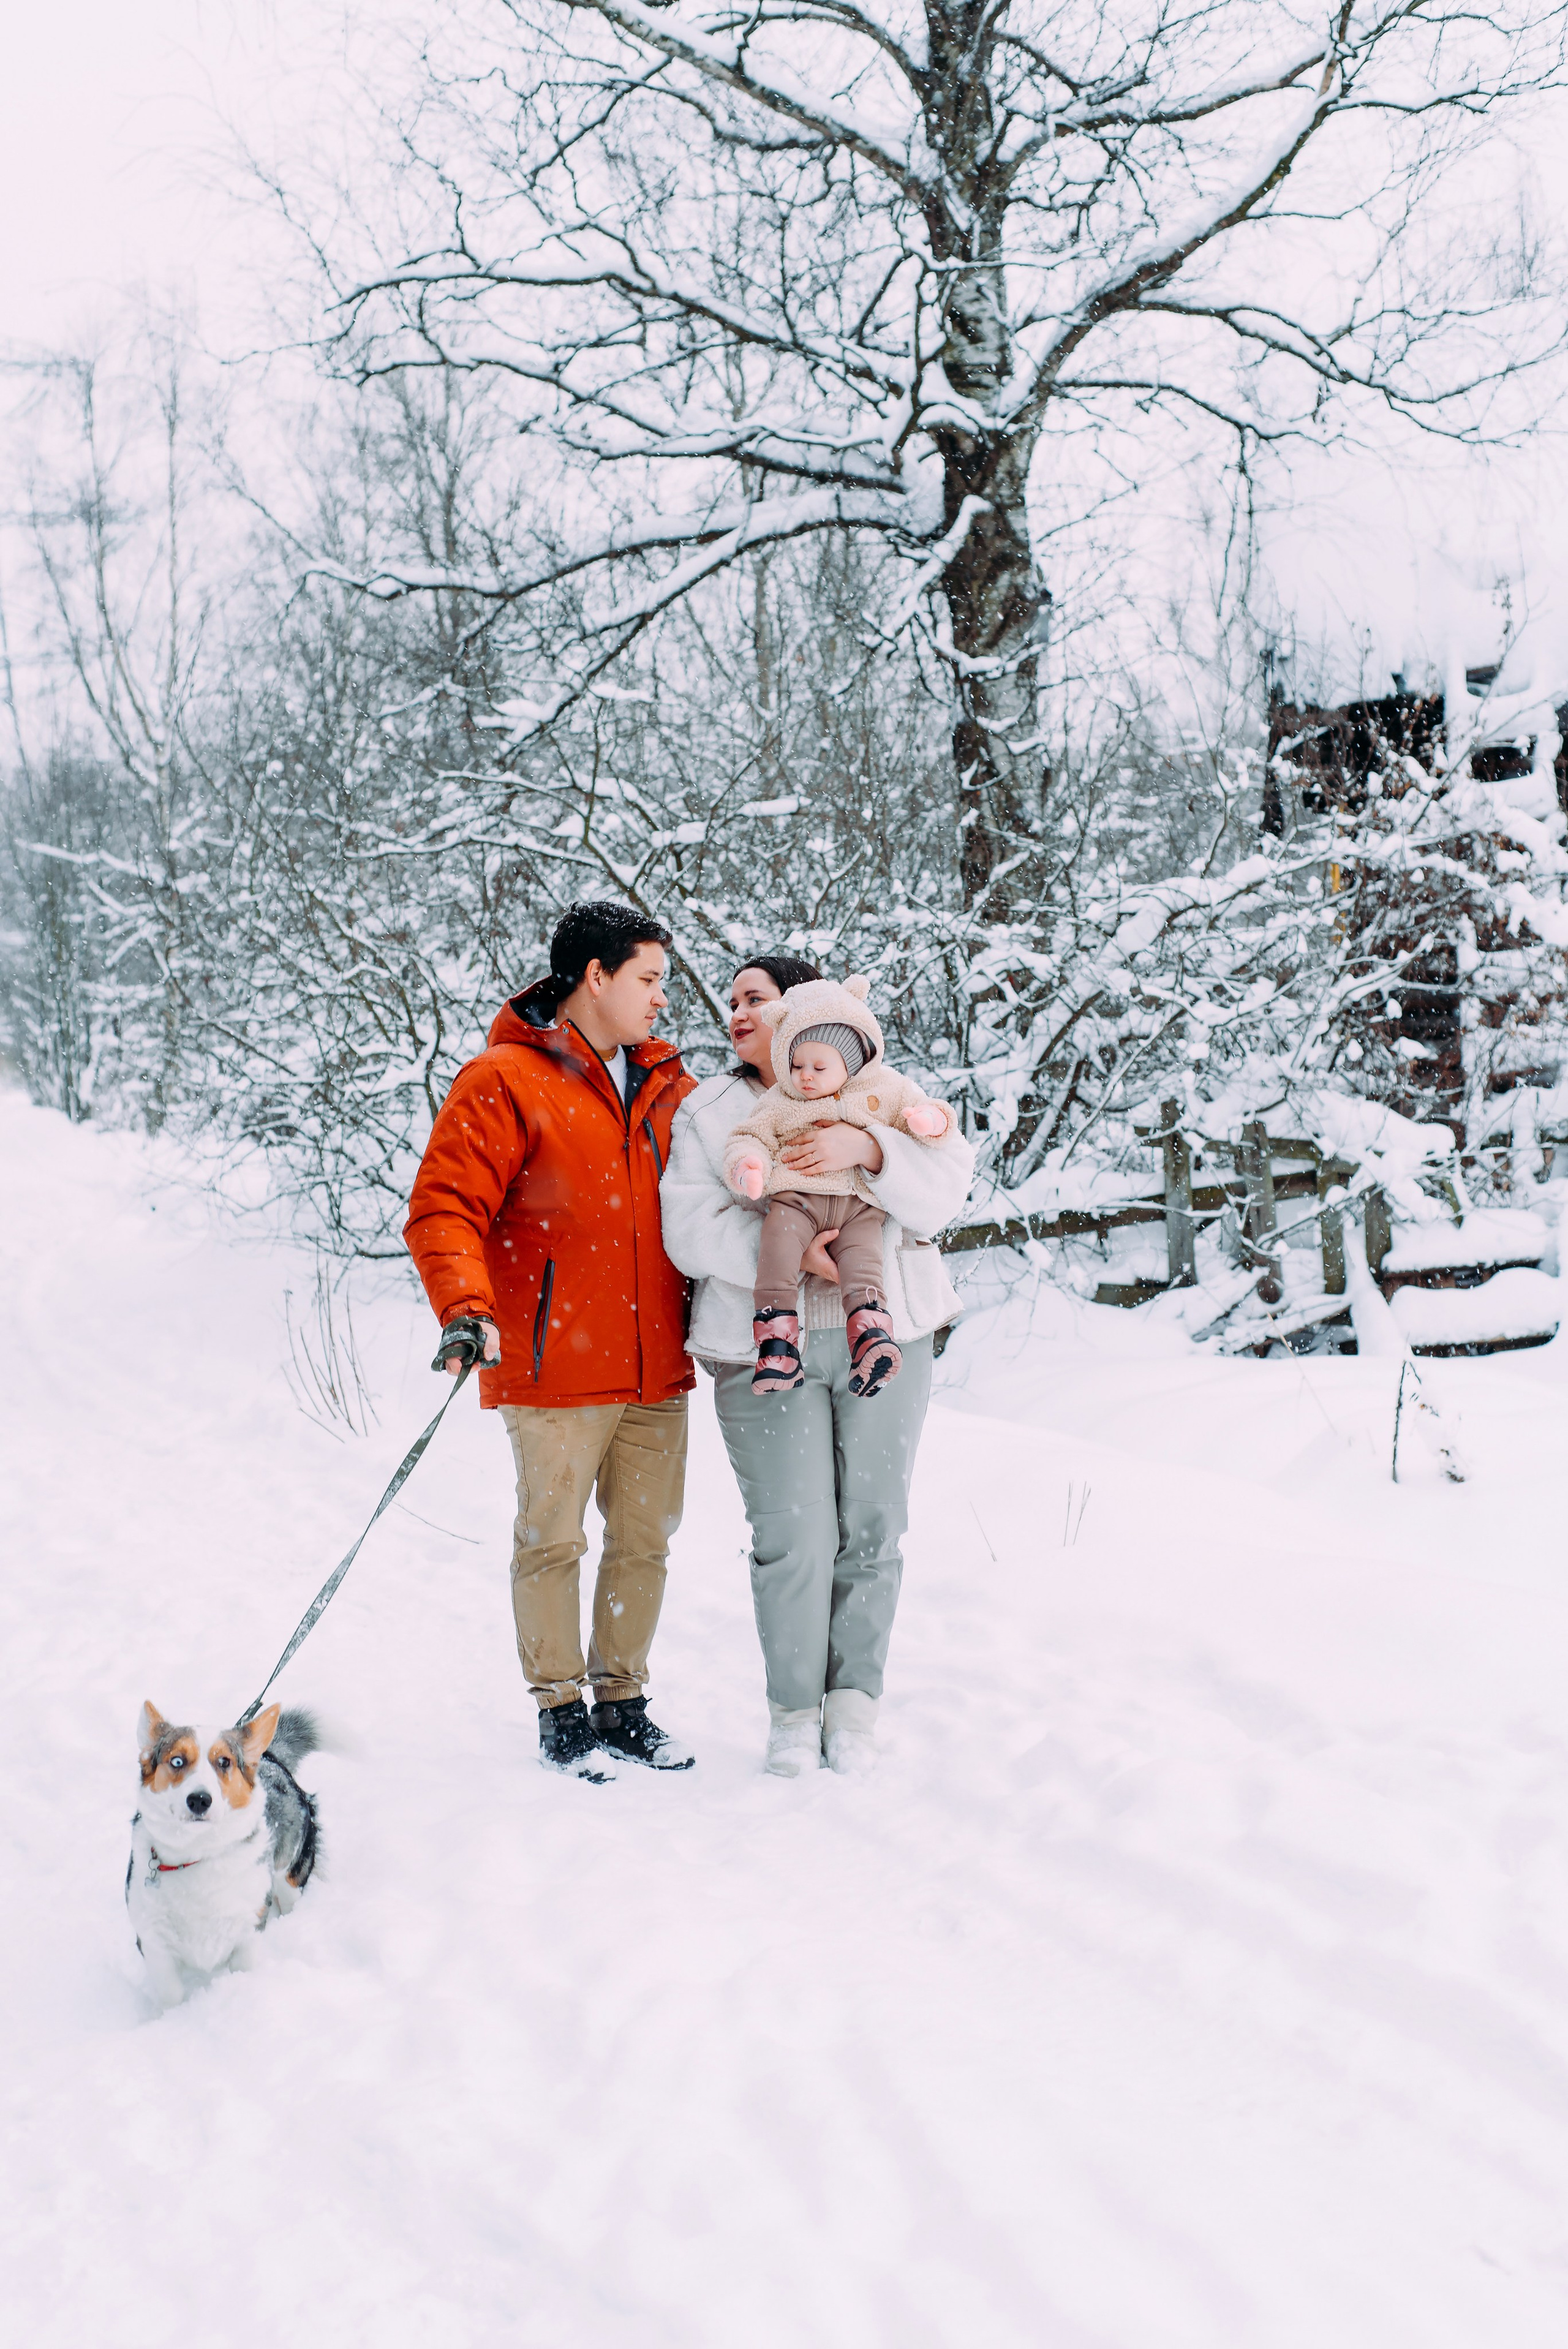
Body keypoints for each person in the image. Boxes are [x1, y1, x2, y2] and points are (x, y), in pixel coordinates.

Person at [660, 953, 974, 1779]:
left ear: (812, 1013)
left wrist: (872, 1149)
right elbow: (688, 1227)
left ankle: (855, 1709)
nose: (739, 1013)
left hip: (887, 1334)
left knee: (873, 1526)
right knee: (796, 1534)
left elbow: (944, 1196)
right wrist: (806, 1254)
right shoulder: (713, 1112)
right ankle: (795, 1713)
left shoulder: (886, 1093)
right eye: (731, 1001)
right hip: (762, 1341)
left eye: (756, 999)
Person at [404, 900, 698, 1781]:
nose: (661, 1000)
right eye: (648, 979)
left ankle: (624, 1698)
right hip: (553, 1360)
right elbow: (445, 1206)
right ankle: (561, 1708)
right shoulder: (502, 1078)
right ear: (595, 977)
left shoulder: (668, 1083)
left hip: (655, 1362)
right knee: (553, 1540)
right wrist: (467, 1304)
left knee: (644, 1539)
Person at [723, 973, 955, 1400]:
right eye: (796, 1066)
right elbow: (750, 1135)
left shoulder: (882, 1089)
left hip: (859, 1208)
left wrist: (930, 1121)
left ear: (851, 1062)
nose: (805, 1077)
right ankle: (777, 1341)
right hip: (796, 1203)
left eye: (818, 1067)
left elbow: (921, 1118)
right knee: (776, 1252)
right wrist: (748, 1165)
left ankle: (871, 1337)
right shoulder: (779, 1101)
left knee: (864, 1267)